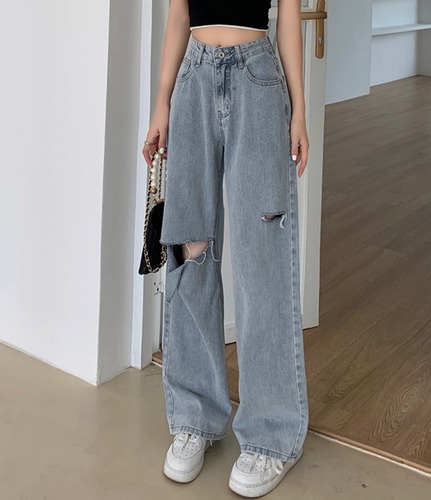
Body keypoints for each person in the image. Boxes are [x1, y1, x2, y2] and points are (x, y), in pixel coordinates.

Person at [142, 0, 310, 497]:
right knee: (190, 251)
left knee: (263, 262)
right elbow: (178, 15)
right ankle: (194, 416)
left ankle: (271, 435)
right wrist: (162, 102)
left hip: (258, 79)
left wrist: (299, 109)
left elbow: (289, 17)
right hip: (193, 77)